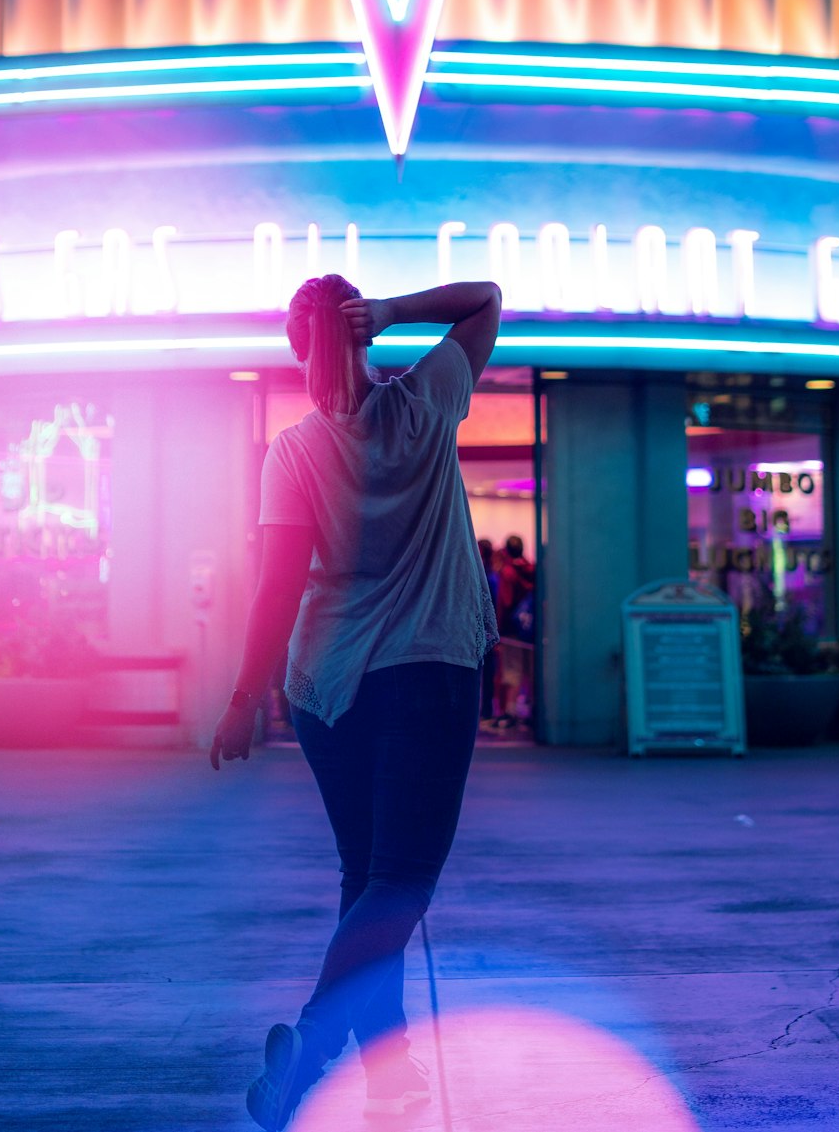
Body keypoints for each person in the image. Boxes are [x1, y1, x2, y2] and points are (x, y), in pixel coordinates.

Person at [210, 274, 502, 1130]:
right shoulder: (427, 400)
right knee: (400, 882)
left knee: (368, 879)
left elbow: (276, 590)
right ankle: (313, 1040)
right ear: (363, 332)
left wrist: (241, 698)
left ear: (298, 351)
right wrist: (399, 313)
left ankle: (387, 1070)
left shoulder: (293, 451)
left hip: (329, 687)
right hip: (432, 673)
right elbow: (486, 297)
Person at [494, 535, 535, 728]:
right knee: (531, 671)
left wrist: (498, 630)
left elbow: (506, 602)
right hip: (531, 629)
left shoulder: (508, 572)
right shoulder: (531, 569)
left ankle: (510, 711)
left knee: (512, 672)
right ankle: (533, 710)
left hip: (512, 631)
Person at [477, 539, 499, 724]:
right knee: (488, 671)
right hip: (487, 629)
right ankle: (486, 708)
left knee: (487, 670)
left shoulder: (486, 576)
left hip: (485, 630)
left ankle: (486, 709)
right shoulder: (491, 575)